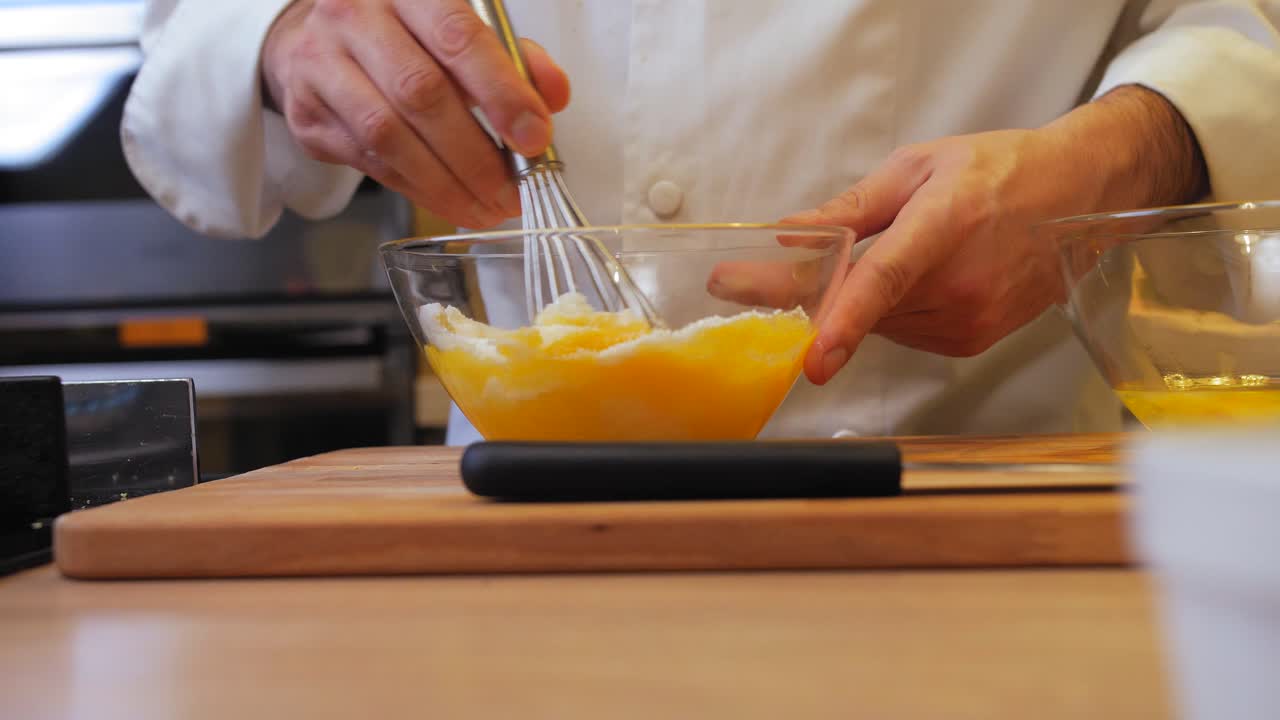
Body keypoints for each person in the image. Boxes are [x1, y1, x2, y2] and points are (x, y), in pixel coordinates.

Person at [122, 0, 1280, 445]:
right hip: (513, 547)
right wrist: (281, 35)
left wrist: (1130, 146)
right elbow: (189, 33)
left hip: (976, 498)